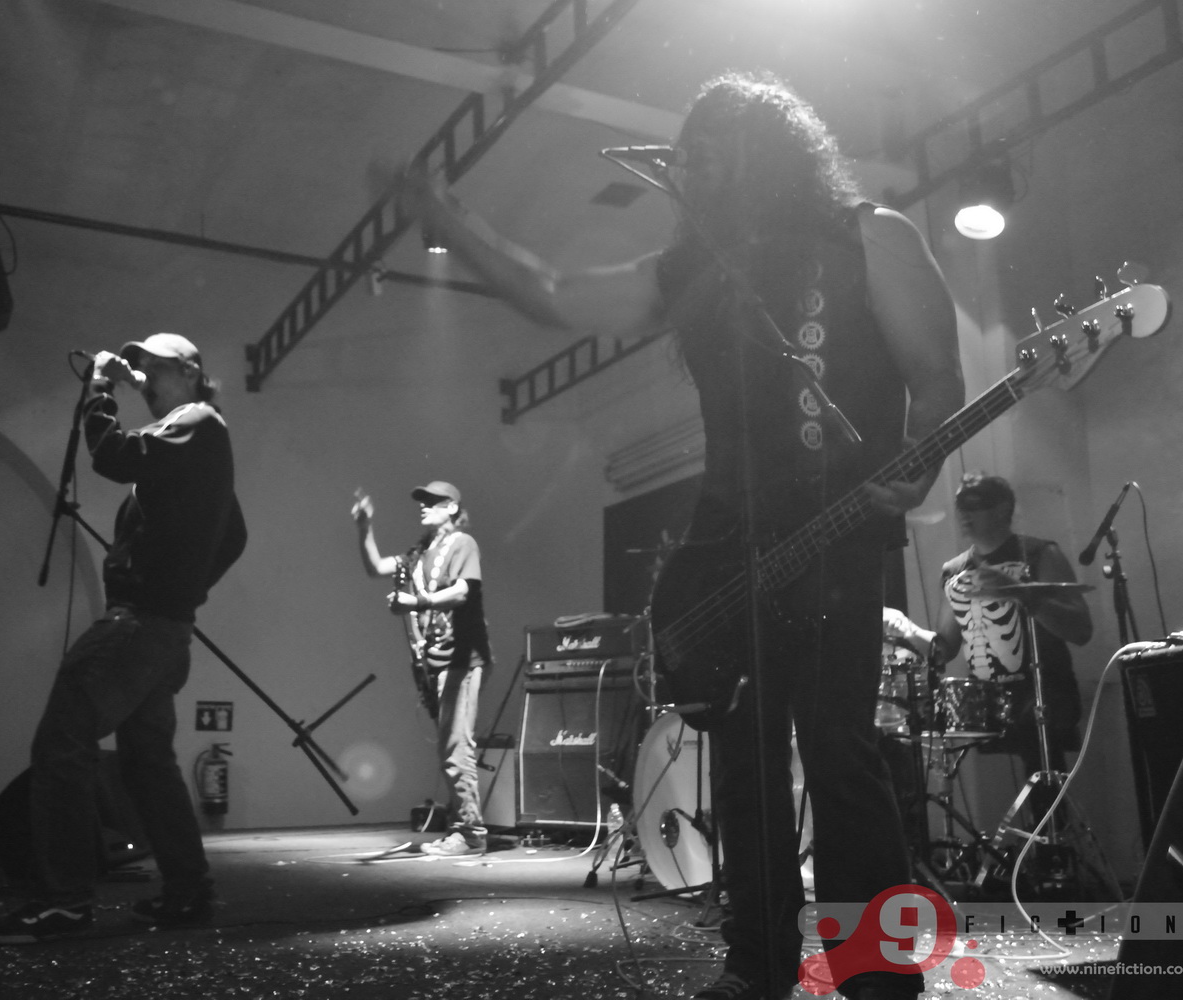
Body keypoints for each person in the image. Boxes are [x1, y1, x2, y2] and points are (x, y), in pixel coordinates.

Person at [386, 71, 963, 1000]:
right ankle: (758, 964)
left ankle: (873, 975)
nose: (691, 168)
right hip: (722, 545)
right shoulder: (691, 269)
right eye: (686, 154)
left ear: (765, 151)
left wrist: (920, 462)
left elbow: (937, 374)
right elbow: (556, 292)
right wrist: (450, 219)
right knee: (741, 764)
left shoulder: (869, 236)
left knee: (839, 754)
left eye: (711, 150)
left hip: (839, 536)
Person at [0, 332, 247, 943]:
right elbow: (234, 535)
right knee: (148, 763)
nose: (144, 377)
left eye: (155, 368)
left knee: (61, 743)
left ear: (191, 372)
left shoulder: (195, 421)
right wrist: (186, 587)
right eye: (139, 368)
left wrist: (100, 388)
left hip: (139, 623)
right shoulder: (195, 441)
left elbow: (113, 455)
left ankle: (64, 901)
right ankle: (187, 890)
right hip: (164, 626)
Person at [352, 481, 493, 857]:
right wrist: (364, 527)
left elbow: (463, 591)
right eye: (422, 501)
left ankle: (471, 833)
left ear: (452, 508)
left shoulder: (463, 543)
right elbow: (376, 567)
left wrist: (418, 602)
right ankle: (462, 826)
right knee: (451, 748)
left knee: (456, 746)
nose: (423, 506)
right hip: (438, 663)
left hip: (462, 659)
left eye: (432, 501)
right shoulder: (419, 555)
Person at [931, 472, 1091, 785]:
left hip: (1045, 695)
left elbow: (1081, 630)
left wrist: (1020, 593)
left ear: (1003, 508)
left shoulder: (1040, 554)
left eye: (974, 504)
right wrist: (904, 633)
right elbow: (944, 648)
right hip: (986, 703)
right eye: (960, 506)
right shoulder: (954, 571)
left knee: (1042, 778)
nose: (964, 514)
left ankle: (1049, 815)